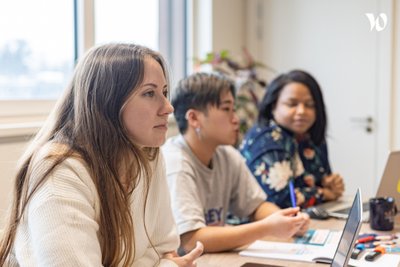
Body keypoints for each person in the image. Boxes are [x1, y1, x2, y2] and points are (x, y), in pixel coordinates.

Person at [0, 43, 203, 267]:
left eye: (164, 93)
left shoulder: (149, 157)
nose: (168, 107)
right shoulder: (58, 171)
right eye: (149, 93)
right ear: (107, 101)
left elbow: (166, 251)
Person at [162, 72, 309, 254]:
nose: (236, 118)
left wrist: (288, 221)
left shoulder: (226, 155)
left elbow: (256, 206)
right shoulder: (175, 162)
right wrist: (267, 227)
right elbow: (191, 241)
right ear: (194, 118)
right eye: (226, 109)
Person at [240, 70, 345, 209]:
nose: (301, 111)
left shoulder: (312, 136)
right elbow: (280, 200)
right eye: (292, 104)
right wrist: (324, 193)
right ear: (273, 106)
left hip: (307, 218)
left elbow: (322, 181)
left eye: (309, 105)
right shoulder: (266, 140)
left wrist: (331, 184)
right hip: (257, 226)